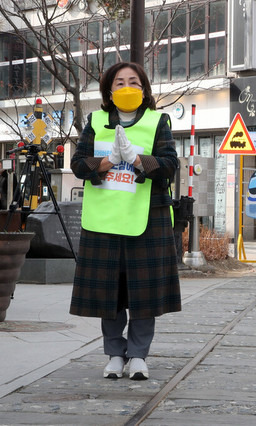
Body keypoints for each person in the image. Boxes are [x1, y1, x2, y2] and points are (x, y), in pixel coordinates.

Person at [70, 62, 181, 381]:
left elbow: (170, 164)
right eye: (119, 82)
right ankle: (114, 354)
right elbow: (78, 164)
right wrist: (109, 161)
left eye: (134, 82)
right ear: (108, 90)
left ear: (145, 89)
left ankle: (138, 356)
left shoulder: (158, 120)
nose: (127, 87)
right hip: (104, 220)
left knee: (143, 297)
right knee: (110, 294)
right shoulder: (96, 120)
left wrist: (135, 159)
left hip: (147, 220)